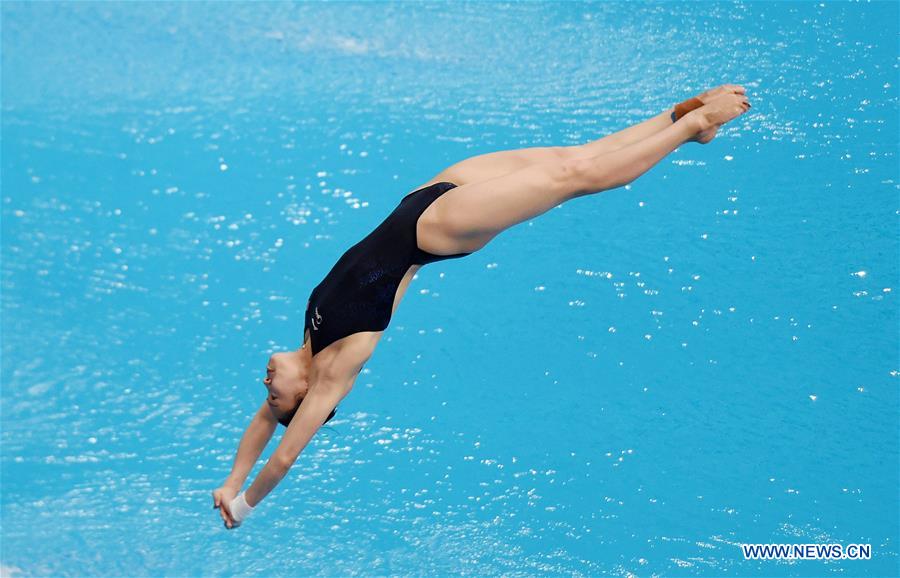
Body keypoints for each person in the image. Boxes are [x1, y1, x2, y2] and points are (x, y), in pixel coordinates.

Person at [212, 84, 751, 528]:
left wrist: (232, 479)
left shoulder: (310, 338)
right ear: (304, 398)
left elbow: (264, 427)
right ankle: (688, 130)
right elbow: (283, 453)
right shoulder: (335, 369)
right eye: (276, 396)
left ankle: (676, 117)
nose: (264, 388)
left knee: (571, 157)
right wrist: (244, 505)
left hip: (427, 196)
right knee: (572, 180)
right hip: (441, 229)